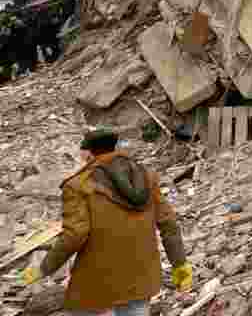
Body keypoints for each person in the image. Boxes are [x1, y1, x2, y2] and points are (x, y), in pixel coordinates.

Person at [20, 127, 193, 314]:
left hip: (97, 282)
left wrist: (44, 268)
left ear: (87, 153)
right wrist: (180, 266)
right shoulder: (146, 177)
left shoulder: (78, 185)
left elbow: (75, 235)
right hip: (141, 276)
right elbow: (169, 224)